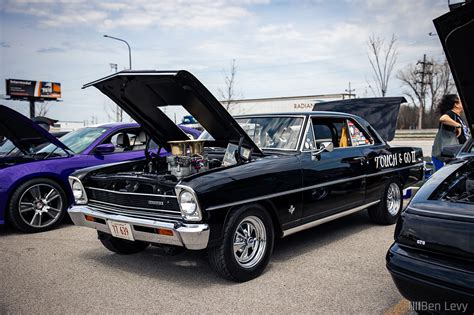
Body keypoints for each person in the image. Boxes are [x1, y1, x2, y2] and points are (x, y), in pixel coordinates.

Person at [432, 94, 471, 171]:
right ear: (456, 104)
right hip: (450, 156)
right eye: (460, 102)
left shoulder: (458, 117)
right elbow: (443, 118)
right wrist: (457, 125)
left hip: (460, 153)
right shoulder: (451, 113)